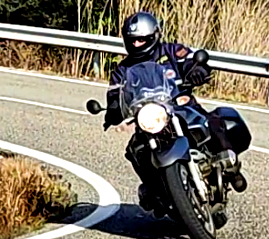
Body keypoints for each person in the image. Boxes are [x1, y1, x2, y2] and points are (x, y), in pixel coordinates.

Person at [104, 11, 245, 211]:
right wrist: (112, 109)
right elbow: (114, 93)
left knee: (211, 120)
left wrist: (197, 70)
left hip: (180, 106)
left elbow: (192, 60)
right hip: (150, 119)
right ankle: (155, 189)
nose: (136, 44)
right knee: (135, 150)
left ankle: (229, 162)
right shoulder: (123, 70)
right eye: (132, 40)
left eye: (141, 39)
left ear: (154, 36)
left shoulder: (171, 51)